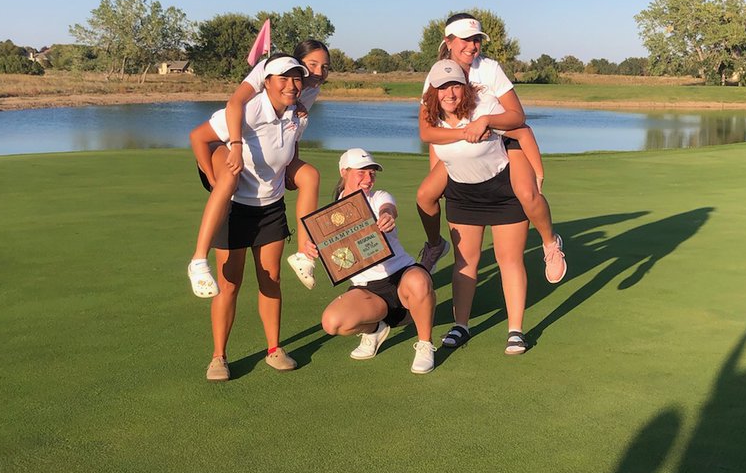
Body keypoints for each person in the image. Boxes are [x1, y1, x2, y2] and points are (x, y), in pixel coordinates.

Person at [416, 13, 566, 286]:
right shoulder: (436, 74)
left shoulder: (490, 68)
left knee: (527, 193)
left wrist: (486, 121)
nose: (472, 46)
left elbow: (518, 118)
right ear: (448, 41)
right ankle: (435, 244)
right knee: (426, 195)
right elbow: (430, 130)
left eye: (476, 40)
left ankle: (549, 243)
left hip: (502, 140)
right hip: (460, 147)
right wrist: (459, 140)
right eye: (466, 40)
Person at [188, 54, 309, 380]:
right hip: (235, 208)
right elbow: (198, 137)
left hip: (271, 208)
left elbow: (291, 150)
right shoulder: (250, 109)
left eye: (297, 78)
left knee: (271, 281)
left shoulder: (299, 116)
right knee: (229, 285)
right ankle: (219, 357)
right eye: (282, 78)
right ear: (265, 82)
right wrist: (215, 183)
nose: (291, 85)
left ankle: (274, 349)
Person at [186, 39, 331, 298]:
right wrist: (217, 172)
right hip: (225, 138)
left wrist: (288, 164)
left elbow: (291, 131)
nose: (319, 72)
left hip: (254, 145)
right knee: (228, 179)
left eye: (325, 66)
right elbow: (233, 106)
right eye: (313, 64)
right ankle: (198, 261)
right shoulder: (265, 73)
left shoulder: (308, 88)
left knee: (310, 175)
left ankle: (302, 254)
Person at [420, 60, 530, 355]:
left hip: (502, 190)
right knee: (464, 264)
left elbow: (519, 123)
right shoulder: (432, 117)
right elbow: (429, 139)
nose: (450, 93)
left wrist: (486, 122)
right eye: (442, 87)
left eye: (455, 85)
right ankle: (461, 325)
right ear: (433, 91)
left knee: (509, 261)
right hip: (462, 194)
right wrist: (464, 132)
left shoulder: (484, 107)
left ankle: (515, 330)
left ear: (465, 86)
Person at [307, 149, 437, 375]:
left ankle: (425, 345)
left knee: (419, 280)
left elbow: (388, 208)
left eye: (372, 174)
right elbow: (332, 253)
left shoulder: (379, 198)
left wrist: (387, 216)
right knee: (332, 323)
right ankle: (376, 328)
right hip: (368, 290)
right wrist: (312, 248)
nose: (368, 179)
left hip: (400, 276)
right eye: (362, 173)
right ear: (343, 172)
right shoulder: (327, 217)